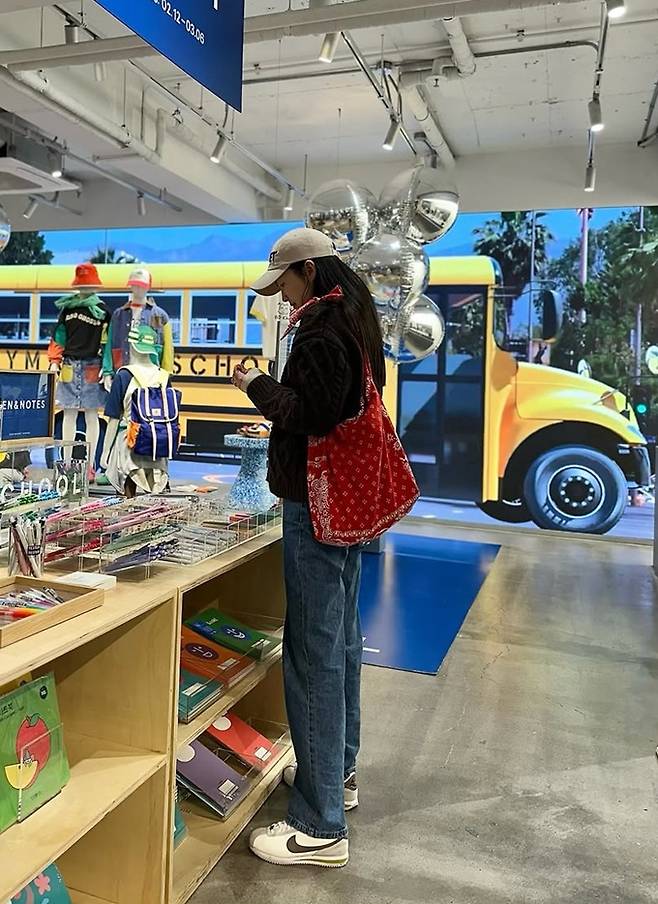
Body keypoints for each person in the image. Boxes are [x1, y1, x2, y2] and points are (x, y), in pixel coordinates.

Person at [232, 227, 385, 868]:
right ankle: (335, 775)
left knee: (312, 654)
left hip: (314, 506)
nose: (283, 295)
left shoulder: (321, 329)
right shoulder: (357, 319)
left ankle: (319, 826)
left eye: (286, 283)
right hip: (344, 504)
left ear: (308, 272)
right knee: (341, 642)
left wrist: (255, 384)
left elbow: (310, 413)